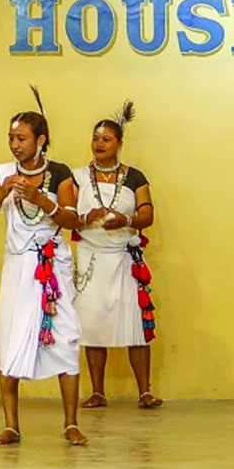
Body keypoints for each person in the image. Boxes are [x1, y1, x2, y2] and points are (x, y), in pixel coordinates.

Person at [0, 87, 88, 446]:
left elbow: (73, 220)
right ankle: (11, 425)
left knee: (66, 338)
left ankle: (70, 423)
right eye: (11, 137)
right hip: (18, 267)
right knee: (11, 339)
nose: (15, 145)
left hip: (53, 268)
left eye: (21, 138)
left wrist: (40, 199)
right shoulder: (2, 172)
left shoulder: (60, 172)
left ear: (41, 140)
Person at [71, 101, 161, 409]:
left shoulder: (135, 177)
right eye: (96, 139)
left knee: (134, 324)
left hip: (123, 257)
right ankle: (97, 391)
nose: (99, 144)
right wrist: (86, 218)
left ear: (119, 144)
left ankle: (145, 390)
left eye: (106, 139)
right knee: (93, 325)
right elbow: (67, 215)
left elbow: (148, 214)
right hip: (91, 258)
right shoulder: (77, 176)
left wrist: (128, 221)